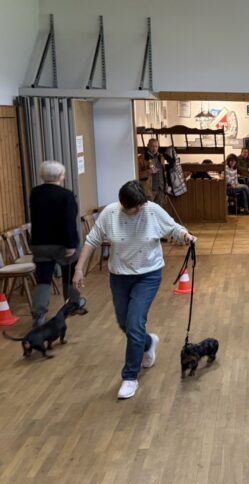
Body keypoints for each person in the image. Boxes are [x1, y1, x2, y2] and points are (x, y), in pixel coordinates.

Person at [72, 180, 198, 400]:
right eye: (135, 207)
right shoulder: (110, 214)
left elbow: (173, 228)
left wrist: (186, 236)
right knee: (124, 323)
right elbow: (92, 240)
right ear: (123, 204)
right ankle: (148, 342)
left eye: (142, 204)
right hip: (119, 277)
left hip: (148, 275)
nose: (140, 209)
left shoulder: (152, 210)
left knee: (134, 323)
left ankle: (130, 376)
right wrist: (79, 268)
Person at [29, 160, 88, 327]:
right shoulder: (66, 195)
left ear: (42, 175)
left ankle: (39, 315)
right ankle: (73, 304)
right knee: (70, 274)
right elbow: (69, 222)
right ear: (61, 176)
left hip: (40, 244)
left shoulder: (35, 193)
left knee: (43, 279)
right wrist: (71, 245)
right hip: (61, 244)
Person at [141, 138, 166, 203]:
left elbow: (164, 173)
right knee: (148, 208)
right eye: (152, 146)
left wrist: (166, 186)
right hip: (148, 191)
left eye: (156, 146)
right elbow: (136, 174)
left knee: (158, 209)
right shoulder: (141, 158)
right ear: (148, 146)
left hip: (160, 190)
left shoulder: (161, 157)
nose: (154, 148)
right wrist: (148, 172)